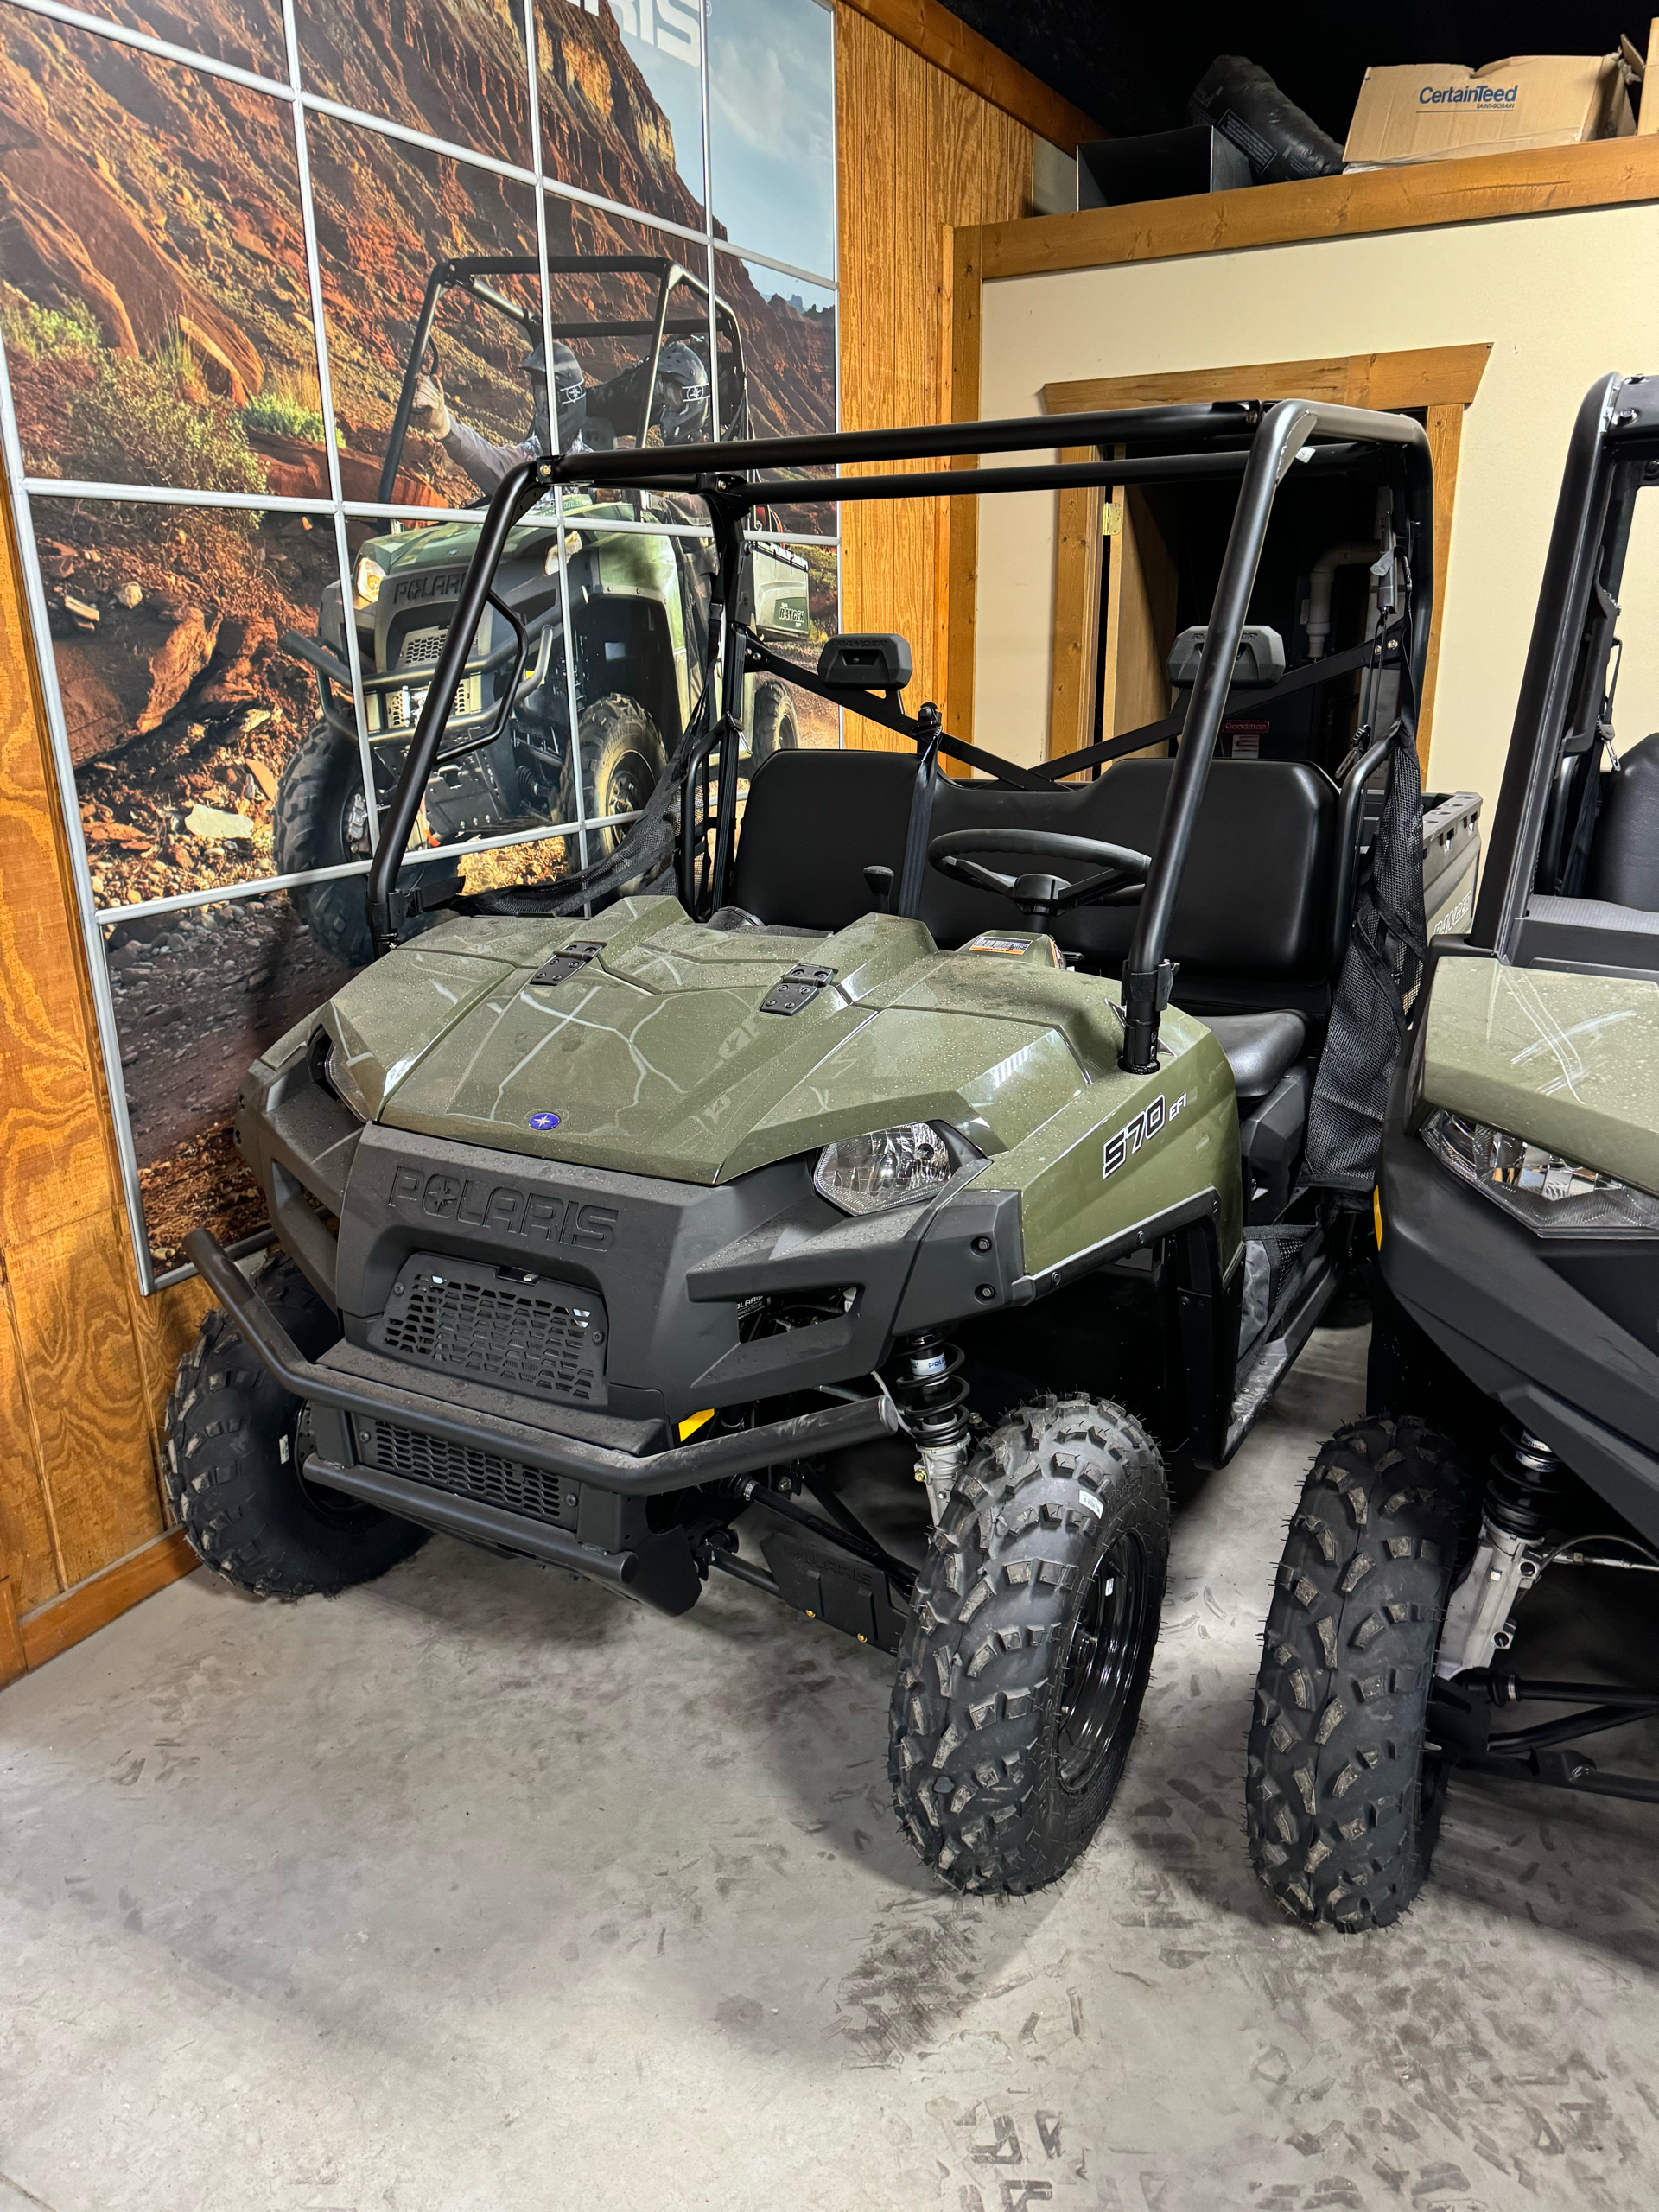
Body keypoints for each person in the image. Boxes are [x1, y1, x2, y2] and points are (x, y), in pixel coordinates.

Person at [409, 338, 588, 493]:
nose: (542, 409)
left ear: (570, 399)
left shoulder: (596, 468)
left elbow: (609, 506)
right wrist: (444, 426)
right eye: (539, 398)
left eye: (548, 399)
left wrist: (601, 497)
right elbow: (487, 458)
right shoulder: (527, 457)